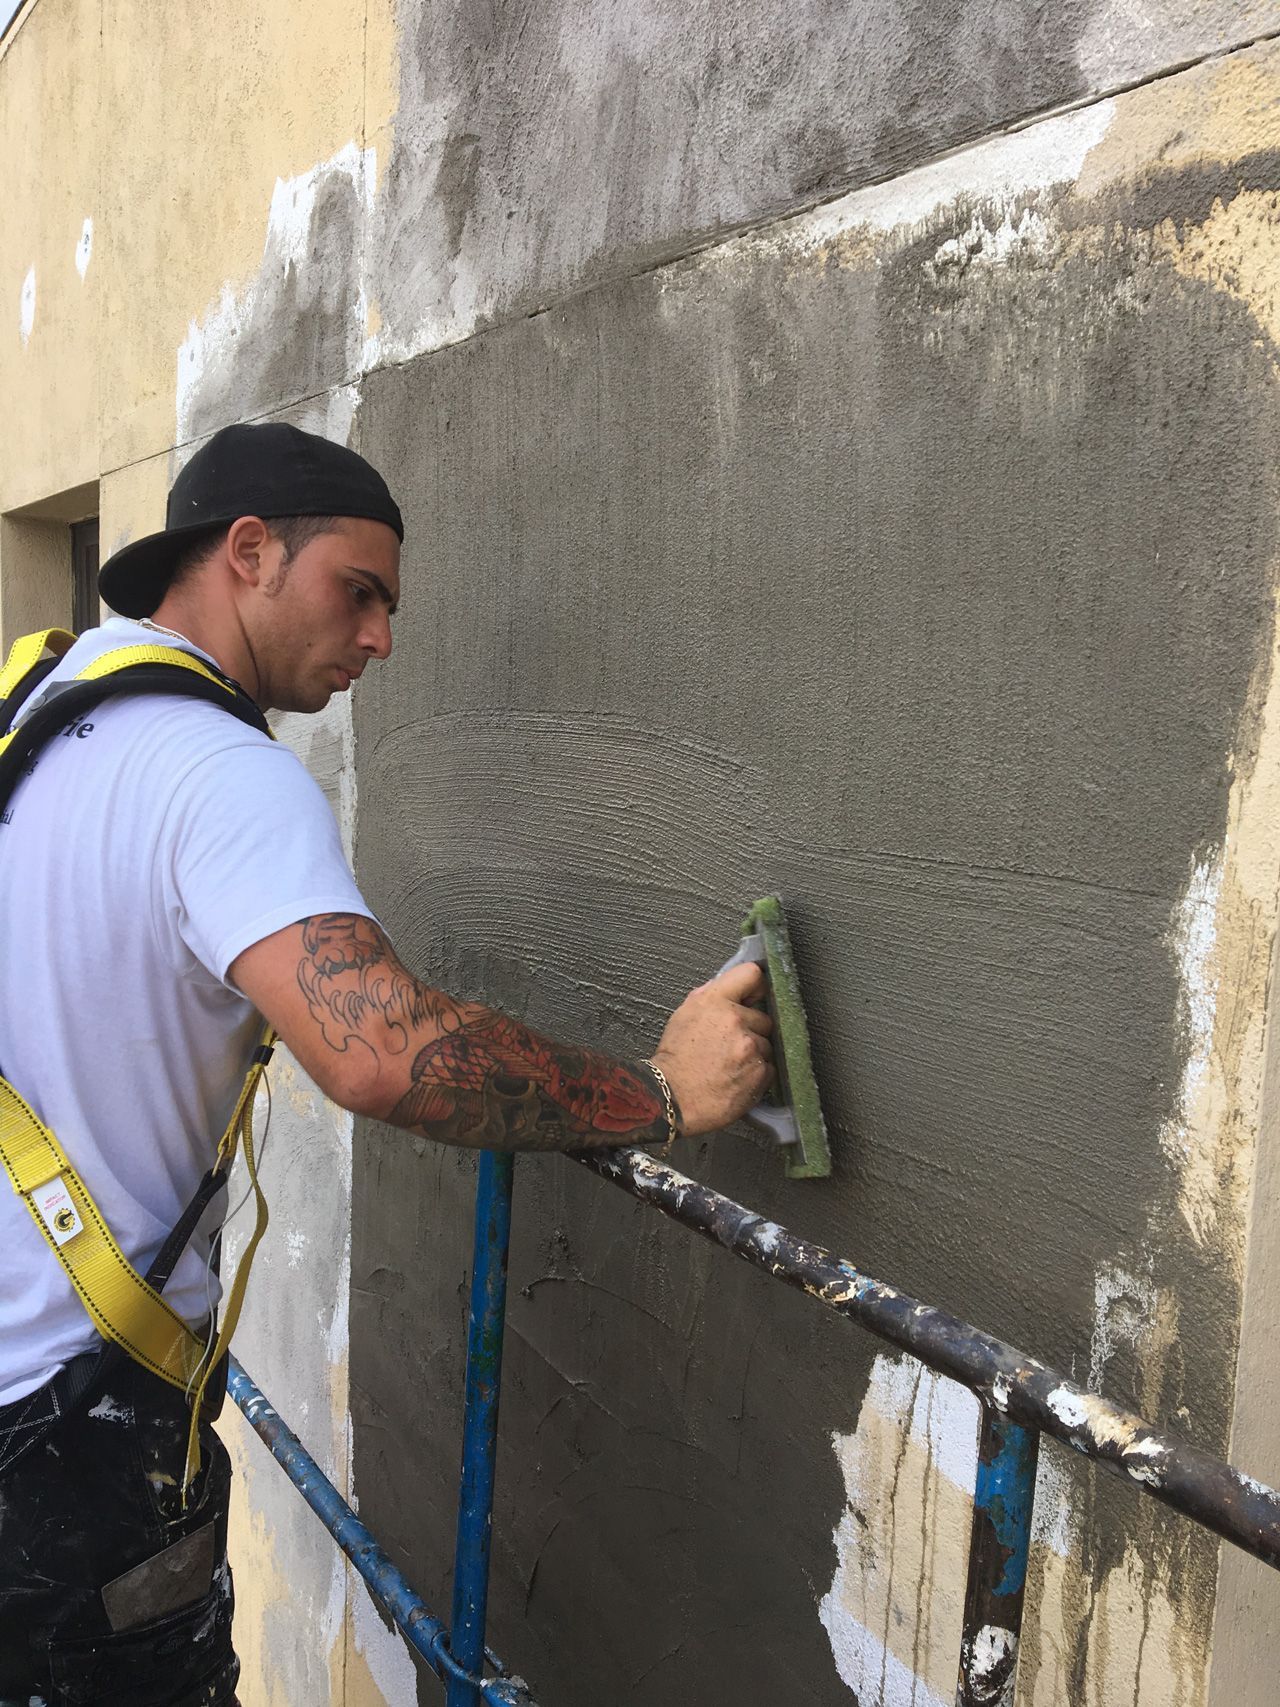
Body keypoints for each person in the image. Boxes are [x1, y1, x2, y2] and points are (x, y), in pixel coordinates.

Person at [0, 422, 772, 1706]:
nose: (380, 640)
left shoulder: (41, 705)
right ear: (250, 551)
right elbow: (378, 1052)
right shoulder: (221, 773)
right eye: (357, 592)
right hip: (63, 1439)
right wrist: (660, 1092)